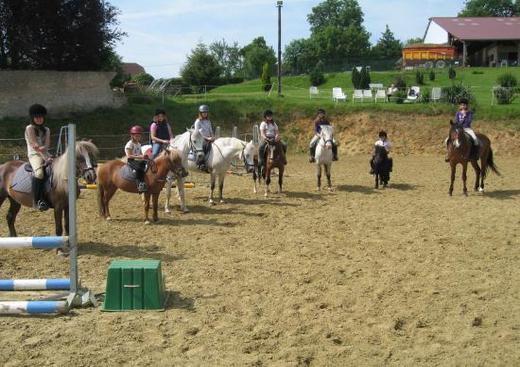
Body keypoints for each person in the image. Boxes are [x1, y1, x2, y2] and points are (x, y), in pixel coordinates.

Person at [25, 104, 51, 211]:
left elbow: (47, 145)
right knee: (39, 173)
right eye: (37, 117)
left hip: (46, 153)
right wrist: (46, 158)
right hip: (34, 155)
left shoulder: (47, 129)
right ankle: (37, 200)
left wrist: (47, 156)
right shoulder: (29, 128)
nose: (39, 119)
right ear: (33, 118)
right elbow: (35, 146)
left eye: (41, 117)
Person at [125, 125, 148, 193]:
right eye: (136, 136)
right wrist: (140, 157)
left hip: (138, 160)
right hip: (131, 161)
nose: (138, 137)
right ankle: (140, 184)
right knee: (138, 168)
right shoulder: (129, 144)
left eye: (139, 135)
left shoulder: (139, 144)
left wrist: (144, 156)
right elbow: (129, 156)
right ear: (132, 136)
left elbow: (140, 153)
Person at [193, 105, 215, 172]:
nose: (205, 114)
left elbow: (211, 130)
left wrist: (213, 137)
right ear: (200, 113)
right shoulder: (197, 121)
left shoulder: (208, 121)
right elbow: (198, 133)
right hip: (201, 139)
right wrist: (207, 138)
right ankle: (201, 164)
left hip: (209, 138)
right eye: (203, 112)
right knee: (204, 146)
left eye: (206, 112)